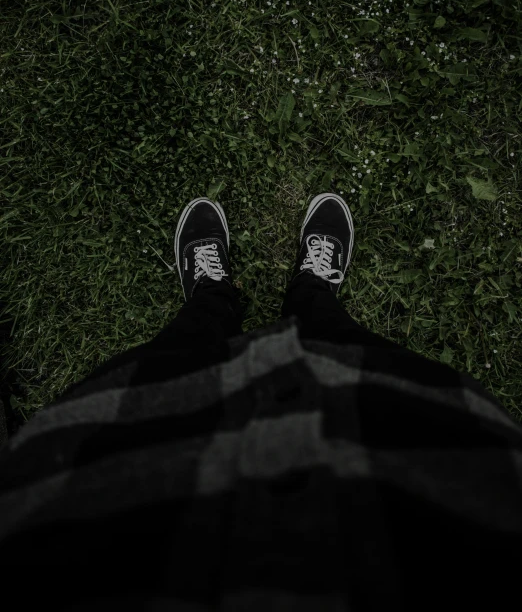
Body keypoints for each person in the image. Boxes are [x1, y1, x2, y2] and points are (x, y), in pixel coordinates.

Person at [0, 193, 521, 609]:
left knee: (178, 356)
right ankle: (308, 294)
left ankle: (213, 297)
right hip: (441, 490)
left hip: (90, 512)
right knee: (349, 348)